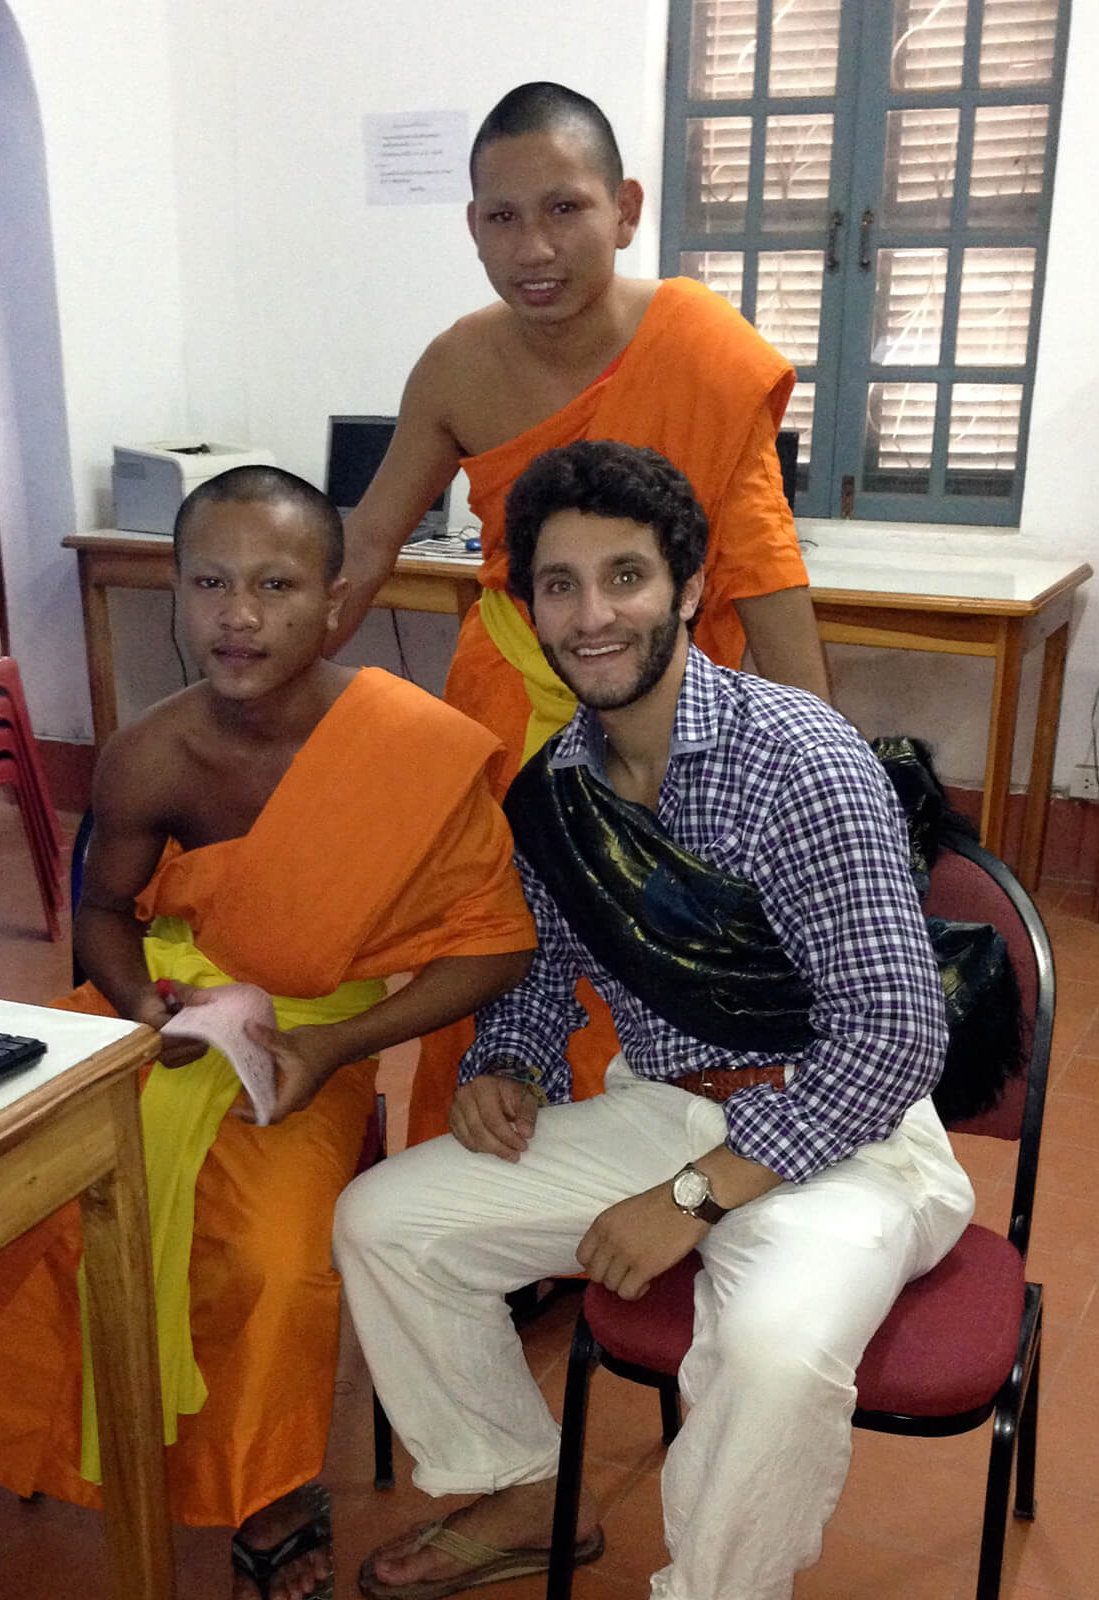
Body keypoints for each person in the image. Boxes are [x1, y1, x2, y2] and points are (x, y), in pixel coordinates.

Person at [0, 466, 536, 1600]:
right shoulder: (151, 752)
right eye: (209, 581)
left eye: (274, 584)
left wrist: (334, 1053)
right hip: (152, 1014)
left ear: (333, 598)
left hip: (313, 1049)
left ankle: (267, 1491)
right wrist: (142, 1008)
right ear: (173, 589)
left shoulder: (413, 746)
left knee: (268, 1262)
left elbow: (495, 941)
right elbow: (107, 912)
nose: (239, 615)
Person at [333, 441, 974, 1600]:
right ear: (527, 607)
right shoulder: (555, 790)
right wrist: (509, 1061)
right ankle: (529, 1488)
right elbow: (540, 963)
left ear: (686, 588)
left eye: (624, 576)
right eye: (559, 584)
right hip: (663, 1109)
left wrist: (695, 1197)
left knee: (773, 1352)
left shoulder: (802, 762)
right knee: (386, 1223)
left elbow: (893, 1035)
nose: (592, 615)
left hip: (851, 1140)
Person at [333, 81, 830, 1141]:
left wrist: (815, 764)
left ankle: (645, 1185)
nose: (534, 247)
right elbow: (372, 538)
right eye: (502, 218)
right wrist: (270, 666)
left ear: (626, 209)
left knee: (650, 956)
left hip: (669, 714)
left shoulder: (699, 347)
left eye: (564, 208)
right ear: (472, 227)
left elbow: (760, 567)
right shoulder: (458, 363)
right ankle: (481, 1186)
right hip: (508, 710)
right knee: (497, 938)